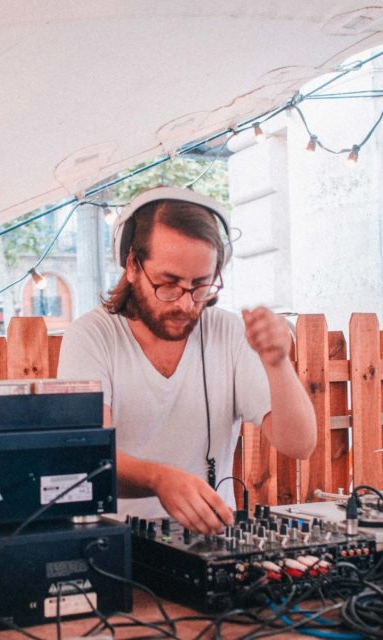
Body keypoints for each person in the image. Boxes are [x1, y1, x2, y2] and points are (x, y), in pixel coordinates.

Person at [56, 187, 317, 534]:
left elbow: (299, 444)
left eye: (200, 285)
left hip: (212, 543)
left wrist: (278, 364)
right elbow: (89, 457)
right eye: (169, 284)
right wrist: (159, 479)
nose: (185, 303)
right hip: (114, 543)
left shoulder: (228, 333)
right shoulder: (90, 337)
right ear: (132, 265)